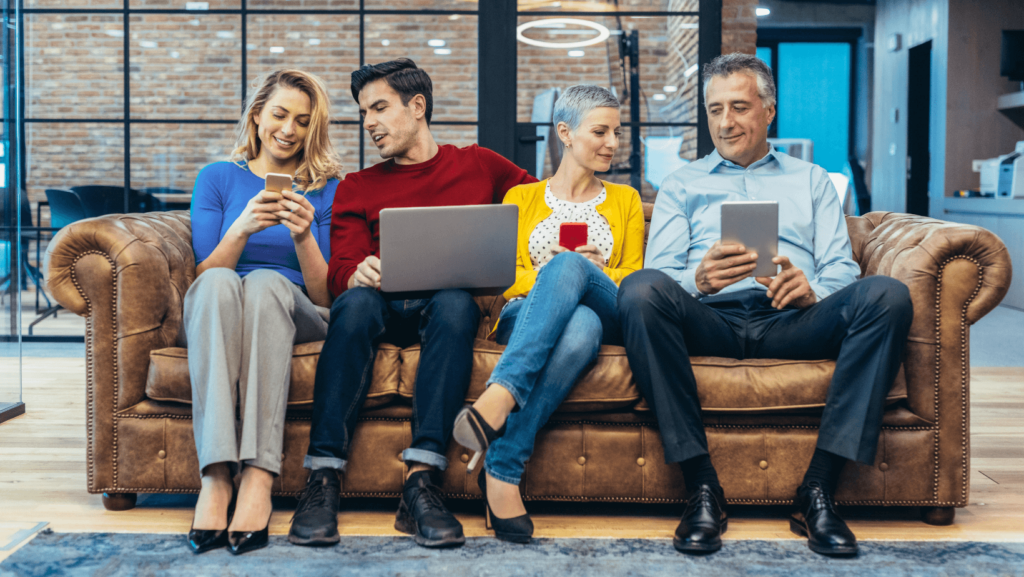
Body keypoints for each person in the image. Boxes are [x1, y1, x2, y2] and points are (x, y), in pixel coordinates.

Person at [616, 53, 913, 557]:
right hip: (710, 318)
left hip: (794, 319)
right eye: (714, 110)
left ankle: (817, 490)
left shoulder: (813, 179)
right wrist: (699, 280)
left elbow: (842, 267)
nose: (725, 122)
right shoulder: (682, 185)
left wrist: (812, 289)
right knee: (639, 289)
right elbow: (660, 273)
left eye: (738, 106)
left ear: (768, 109)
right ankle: (702, 487)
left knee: (888, 295)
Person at [288, 58, 537, 549]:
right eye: (363, 113)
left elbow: (543, 204)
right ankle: (322, 481)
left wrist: (550, 242)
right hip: (379, 306)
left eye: (379, 108)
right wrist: (356, 271)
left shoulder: (480, 164)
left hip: (443, 311)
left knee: (455, 303)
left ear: (417, 106)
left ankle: (421, 482)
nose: (370, 123)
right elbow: (338, 271)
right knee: (354, 304)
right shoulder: (358, 186)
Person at [451, 85, 645, 544]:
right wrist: (546, 272)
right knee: (579, 327)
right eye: (600, 131)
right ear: (565, 133)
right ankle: (501, 469)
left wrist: (589, 268)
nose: (612, 143)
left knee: (574, 270)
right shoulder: (521, 199)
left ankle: (497, 400)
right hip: (531, 314)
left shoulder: (627, 200)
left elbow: (634, 277)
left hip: (606, 302)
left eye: (617, 132)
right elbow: (504, 277)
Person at [183, 69, 342, 555]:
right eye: (279, 114)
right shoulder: (218, 178)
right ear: (257, 116)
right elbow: (205, 269)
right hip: (226, 303)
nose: (289, 130)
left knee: (269, 282)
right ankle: (216, 475)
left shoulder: (328, 188)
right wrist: (243, 227)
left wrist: (302, 236)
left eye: (302, 120)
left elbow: (325, 295)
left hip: (294, 310)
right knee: (219, 281)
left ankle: (257, 475)